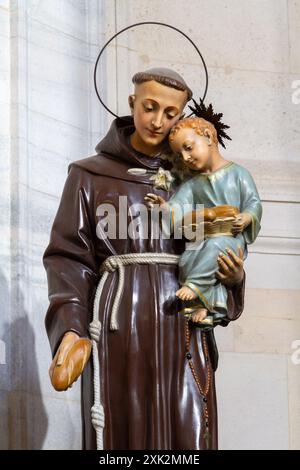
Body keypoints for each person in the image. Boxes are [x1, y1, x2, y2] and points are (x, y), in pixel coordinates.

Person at [43, 68, 245, 450]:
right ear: (132, 103)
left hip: (181, 322)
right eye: (149, 107)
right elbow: (69, 257)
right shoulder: (89, 175)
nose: (157, 121)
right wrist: (71, 327)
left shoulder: (195, 179)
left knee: (188, 430)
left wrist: (232, 279)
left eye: (171, 114)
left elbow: (215, 242)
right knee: (124, 430)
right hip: (120, 324)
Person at [145, 112, 262, 328]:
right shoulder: (192, 184)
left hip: (230, 238)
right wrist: (163, 209)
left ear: (208, 136)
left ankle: (195, 286)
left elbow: (253, 203)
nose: (186, 157)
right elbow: (178, 206)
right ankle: (204, 305)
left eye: (188, 147)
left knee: (215, 247)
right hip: (204, 237)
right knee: (188, 258)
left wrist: (246, 217)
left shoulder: (238, 174)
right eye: (180, 155)